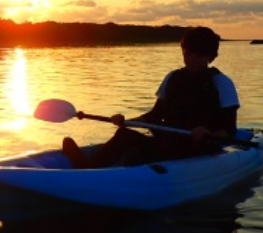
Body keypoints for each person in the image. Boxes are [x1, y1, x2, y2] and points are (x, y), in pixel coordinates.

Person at [62, 26, 239, 168]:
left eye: (197, 54)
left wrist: (209, 134)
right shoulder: (173, 78)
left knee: (137, 156)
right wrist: (126, 121)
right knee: (124, 134)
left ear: (209, 56)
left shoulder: (222, 83)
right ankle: (86, 167)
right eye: (187, 53)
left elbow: (229, 129)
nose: (191, 59)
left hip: (200, 147)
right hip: (168, 142)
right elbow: (154, 116)